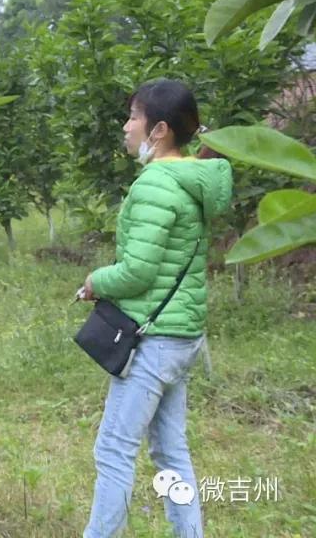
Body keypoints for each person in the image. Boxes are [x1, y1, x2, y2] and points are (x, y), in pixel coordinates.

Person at [80, 79, 232, 538]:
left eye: (133, 117)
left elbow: (138, 272)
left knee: (113, 450)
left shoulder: (155, 185)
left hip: (155, 339)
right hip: (182, 335)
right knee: (170, 452)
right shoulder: (193, 178)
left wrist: (94, 281)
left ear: (159, 129)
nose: (126, 127)